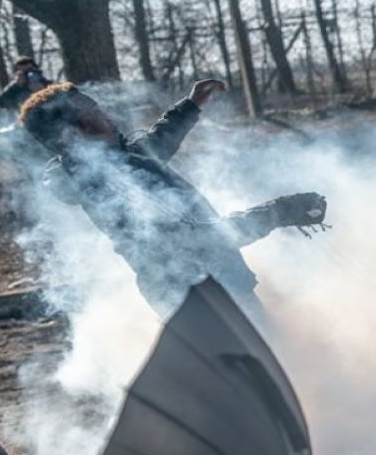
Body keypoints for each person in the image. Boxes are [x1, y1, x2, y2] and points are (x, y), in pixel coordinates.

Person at [18, 79, 327, 316]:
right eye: (95, 110)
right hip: (207, 303)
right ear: (79, 130)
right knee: (266, 386)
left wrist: (190, 106)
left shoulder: (103, 164)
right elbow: (200, 238)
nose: (106, 114)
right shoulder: (111, 183)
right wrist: (281, 211)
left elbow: (152, 146)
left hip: (203, 294)